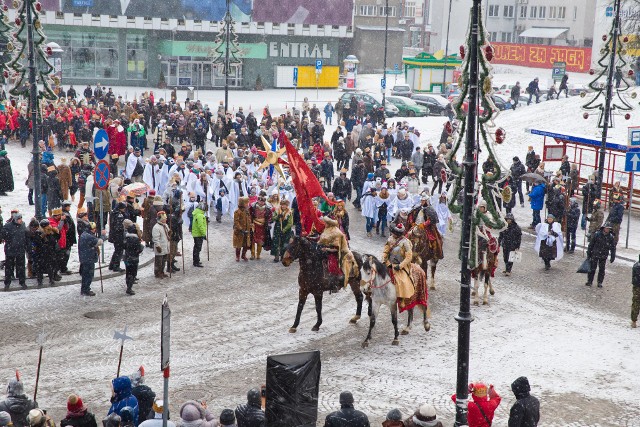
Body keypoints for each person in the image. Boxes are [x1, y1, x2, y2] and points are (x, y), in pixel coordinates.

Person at [382, 223, 414, 308]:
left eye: (394, 233)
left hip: (400, 265)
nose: (392, 234)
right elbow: (386, 251)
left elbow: (409, 257)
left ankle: (402, 298)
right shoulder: (390, 239)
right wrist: (385, 260)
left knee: (402, 281)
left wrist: (400, 266)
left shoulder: (406, 243)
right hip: (389, 263)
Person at [78, 222, 107, 296]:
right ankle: (86, 289)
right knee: (89, 275)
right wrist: (103, 236)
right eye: (94, 229)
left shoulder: (84, 234)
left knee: (85, 274)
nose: (95, 230)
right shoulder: (89, 236)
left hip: (84, 257)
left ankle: (84, 289)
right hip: (89, 258)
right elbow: (99, 242)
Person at [1, 212, 27, 291]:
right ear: (15, 219)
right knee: (9, 267)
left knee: (21, 267)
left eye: (21, 218)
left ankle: (22, 281)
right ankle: (7, 283)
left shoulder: (23, 225)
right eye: (19, 219)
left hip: (20, 249)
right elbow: (2, 235)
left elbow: (25, 236)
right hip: (10, 249)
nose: (20, 220)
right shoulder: (8, 226)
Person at [585, 222, 616, 288]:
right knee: (592, 268)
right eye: (606, 228)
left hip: (603, 255)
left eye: (608, 229)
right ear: (604, 228)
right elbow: (591, 244)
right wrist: (589, 252)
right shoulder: (597, 234)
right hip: (595, 254)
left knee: (602, 269)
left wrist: (613, 256)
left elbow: (613, 247)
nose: (607, 230)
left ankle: (600, 282)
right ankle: (590, 281)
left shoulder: (610, 237)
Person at [249, 191, 272, 260]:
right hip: (254, 226)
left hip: (262, 227)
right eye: (259, 201)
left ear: (264, 202)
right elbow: (249, 215)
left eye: (262, 201)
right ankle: (252, 254)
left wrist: (268, 223)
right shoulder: (253, 207)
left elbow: (270, 217)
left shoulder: (268, 209)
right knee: (252, 241)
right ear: (257, 200)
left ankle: (258, 254)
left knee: (260, 241)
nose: (260, 202)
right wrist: (250, 223)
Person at [123, 224, 144, 295]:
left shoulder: (126, 238)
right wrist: (141, 247)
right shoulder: (136, 239)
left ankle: (128, 284)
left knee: (128, 272)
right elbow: (138, 249)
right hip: (134, 259)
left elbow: (124, 246)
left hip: (127, 258)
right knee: (133, 273)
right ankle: (129, 288)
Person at [108, 202, 127, 272]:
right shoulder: (119, 215)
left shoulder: (113, 213)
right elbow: (119, 227)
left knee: (116, 250)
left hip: (114, 235)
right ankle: (116, 266)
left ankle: (112, 265)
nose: (125, 209)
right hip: (118, 236)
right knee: (119, 251)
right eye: (124, 208)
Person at [152, 211, 170, 278]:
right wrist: (158, 246)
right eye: (164, 218)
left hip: (165, 246)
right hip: (160, 247)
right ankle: (157, 273)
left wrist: (169, 233)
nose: (166, 219)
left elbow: (168, 233)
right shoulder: (156, 227)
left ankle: (162, 271)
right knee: (159, 262)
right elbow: (156, 238)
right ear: (161, 219)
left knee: (163, 261)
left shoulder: (165, 225)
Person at [233, 197, 252, 262]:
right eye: (246, 203)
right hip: (239, 231)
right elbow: (236, 222)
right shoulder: (237, 212)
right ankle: (237, 256)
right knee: (238, 244)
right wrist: (241, 229)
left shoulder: (247, 211)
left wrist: (250, 226)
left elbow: (249, 219)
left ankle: (243, 255)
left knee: (246, 244)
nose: (247, 204)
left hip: (246, 230)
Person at [631, 255, 640, 329]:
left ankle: (634, 321)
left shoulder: (636, 266)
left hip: (637, 287)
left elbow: (634, 278)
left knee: (636, 303)